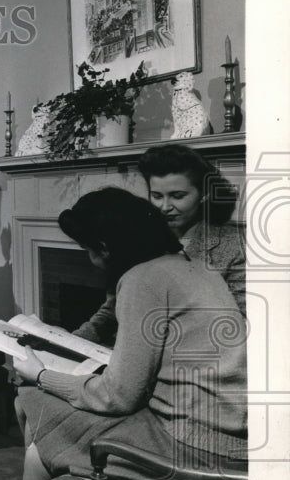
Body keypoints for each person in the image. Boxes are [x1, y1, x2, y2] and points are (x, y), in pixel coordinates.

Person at [0, 187, 247, 480]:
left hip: (194, 441)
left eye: (88, 249)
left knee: (36, 432)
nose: (88, 259)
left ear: (106, 246)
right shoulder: (188, 265)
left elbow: (119, 396)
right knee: (40, 404)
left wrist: (41, 373)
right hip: (225, 426)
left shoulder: (142, 279)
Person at [74, 143, 245, 345]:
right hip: (131, 351)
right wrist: (72, 341)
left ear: (203, 195)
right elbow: (114, 307)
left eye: (177, 196)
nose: (165, 207)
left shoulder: (234, 245)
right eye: (157, 196)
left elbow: (242, 323)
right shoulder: (139, 237)